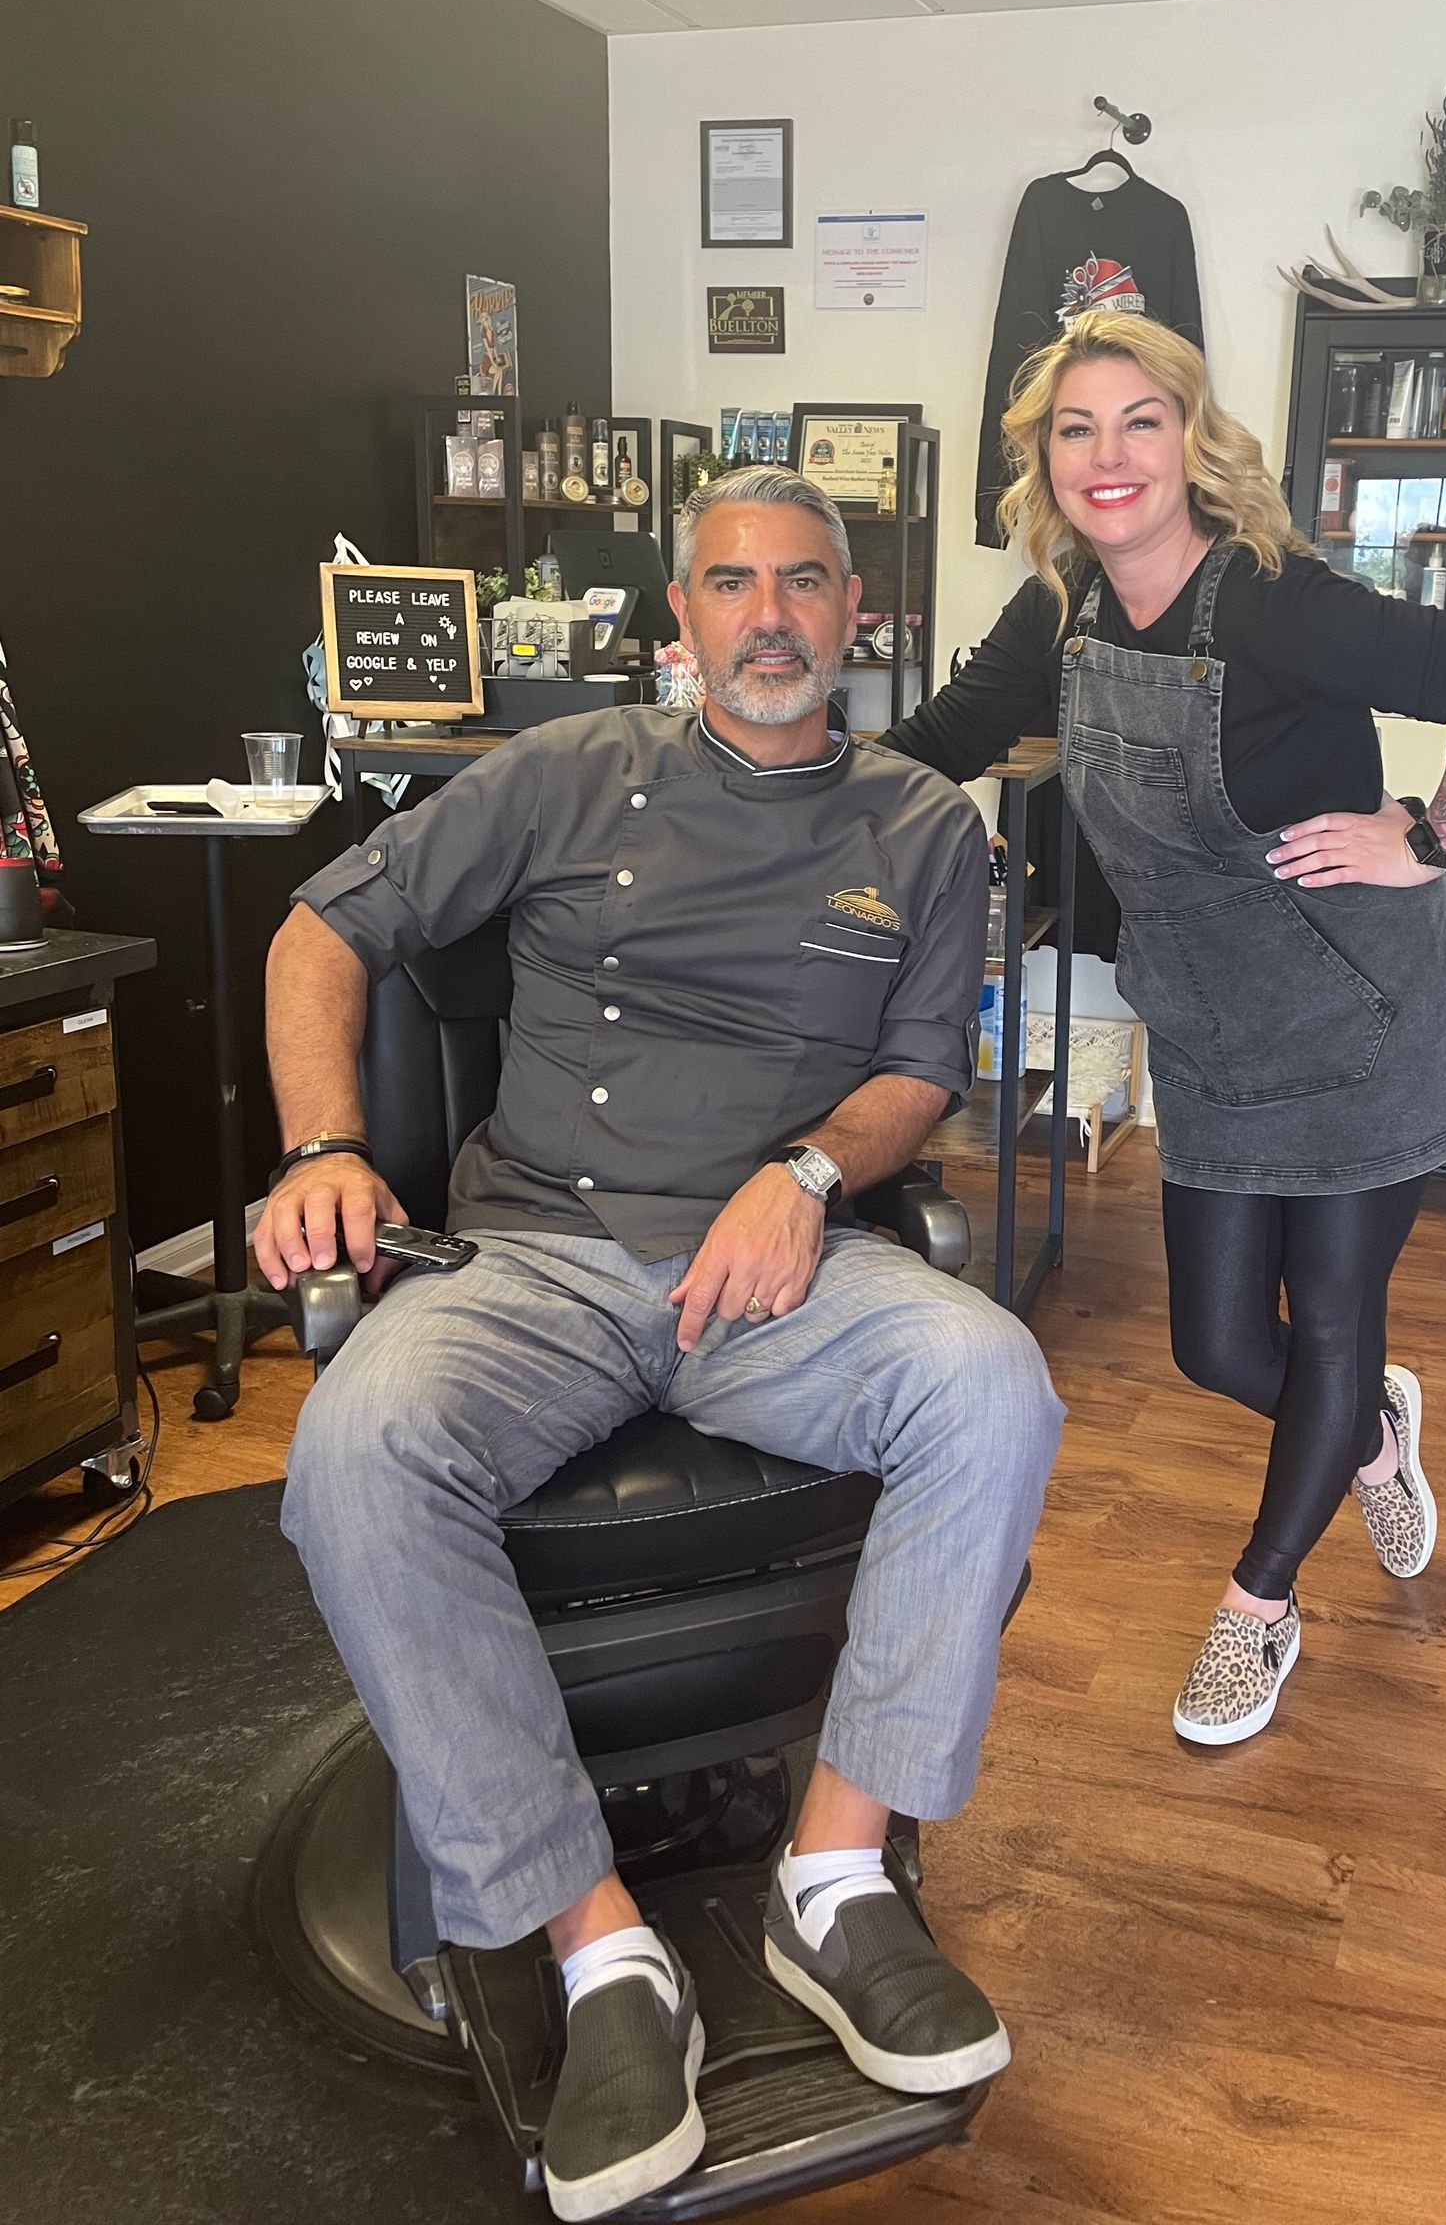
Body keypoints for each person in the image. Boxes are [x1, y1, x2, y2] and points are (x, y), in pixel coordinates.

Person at [255, 467, 1063, 2221]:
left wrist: (805, 1170)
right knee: (359, 1450)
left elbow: (921, 1072)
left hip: (776, 1279)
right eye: (729, 585)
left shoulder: (926, 824)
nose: (768, 616)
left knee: (992, 1380)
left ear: (857, 617)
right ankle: (596, 1943)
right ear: (679, 619)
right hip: (534, 1259)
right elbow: (323, 927)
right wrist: (326, 1147)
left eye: (803, 584)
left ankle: (832, 1882)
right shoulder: (562, 774)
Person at [885, 312, 1446, 1749]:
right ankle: (1373, 1430)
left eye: (1143, 421)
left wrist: (1434, 841)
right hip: (1209, 1024)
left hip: (1362, 1006)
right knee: (1210, 1344)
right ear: (1044, 462)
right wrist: (751, 792)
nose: (1110, 455)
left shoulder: (1269, 599)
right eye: (1079, 429)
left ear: (1192, 441)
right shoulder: (1055, 617)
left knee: (1326, 1323)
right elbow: (934, 748)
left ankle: (1259, 1608)